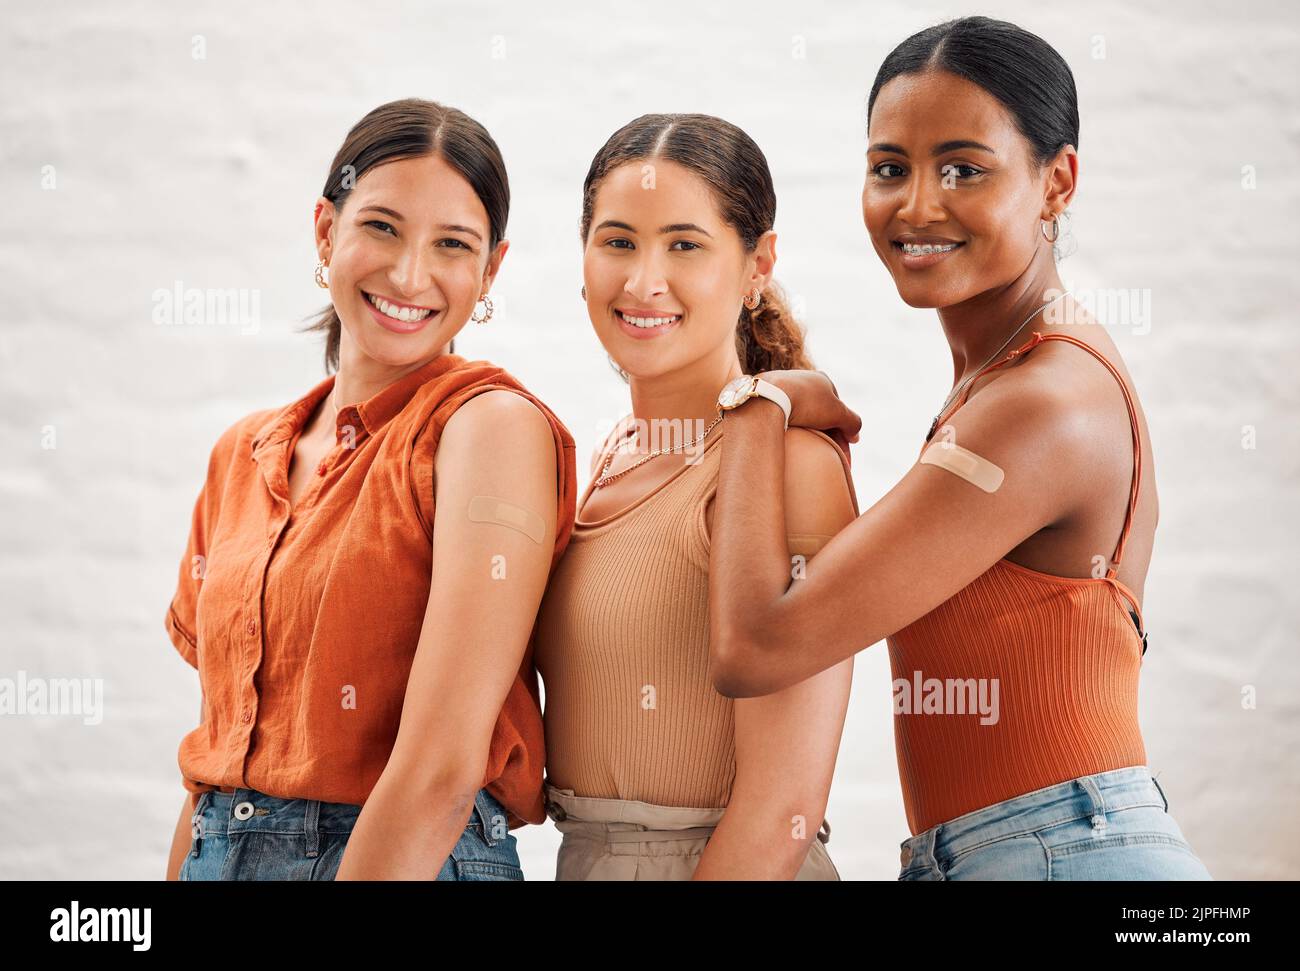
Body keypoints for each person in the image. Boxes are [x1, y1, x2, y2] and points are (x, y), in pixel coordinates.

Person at [706, 17, 1212, 880]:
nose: (917, 205)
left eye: (963, 169)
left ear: (1058, 182)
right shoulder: (1007, 378)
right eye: (889, 168)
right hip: (1021, 849)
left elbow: (756, 646)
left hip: (1062, 851)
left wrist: (757, 402)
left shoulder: (1041, 403)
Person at [163, 98, 576, 880]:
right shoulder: (242, 454)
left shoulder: (487, 427)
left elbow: (441, 769)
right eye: (382, 226)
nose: (409, 274)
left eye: (452, 245)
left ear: (490, 269)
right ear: (326, 231)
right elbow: (214, 757)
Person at [533, 113, 858, 880]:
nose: (643, 281)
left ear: (757, 266)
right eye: (618, 242)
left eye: (685, 244)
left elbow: (783, 810)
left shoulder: (790, 466)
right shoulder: (606, 457)